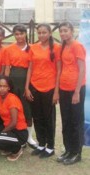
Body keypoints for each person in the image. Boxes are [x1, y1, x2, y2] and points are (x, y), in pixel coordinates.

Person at [25, 24, 61, 158]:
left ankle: (50, 147)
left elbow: (59, 71)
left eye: (44, 32)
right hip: (34, 87)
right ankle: (41, 144)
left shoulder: (56, 48)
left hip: (49, 88)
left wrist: (56, 92)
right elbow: (30, 68)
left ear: (50, 33)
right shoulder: (33, 47)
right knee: (37, 117)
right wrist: (27, 87)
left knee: (48, 118)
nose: (41, 35)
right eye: (39, 33)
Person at [56, 22, 86, 165]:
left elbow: (82, 69)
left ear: (72, 31)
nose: (63, 33)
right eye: (61, 31)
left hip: (75, 89)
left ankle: (76, 153)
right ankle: (68, 150)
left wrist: (77, 91)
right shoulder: (63, 46)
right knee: (66, 121)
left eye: (65, 31)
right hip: (64, 88)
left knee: (76, 122)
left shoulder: (77, 46)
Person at [4, 24, 37, 149]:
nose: (19, 36)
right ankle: (15, 135)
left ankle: (29, 137)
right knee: (13, 109)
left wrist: (27, 86)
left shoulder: (31, 48)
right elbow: (7, 68)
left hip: (26, 82)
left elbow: (30, 68)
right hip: (13, 82)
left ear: (26, 34)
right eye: (16, 34)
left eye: (21, 34)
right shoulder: (9, 49)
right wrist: (6, 85)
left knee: (27, 109)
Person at [0, 75, 28, 161]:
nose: (2, 88)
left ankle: (17, 150)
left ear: (9, 88)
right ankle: (9, 147)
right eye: (0, 86)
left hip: (19, 133)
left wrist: (2, 133)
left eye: (5, 86)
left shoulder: (12, 99)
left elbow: (14, 123)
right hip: (9, 130)